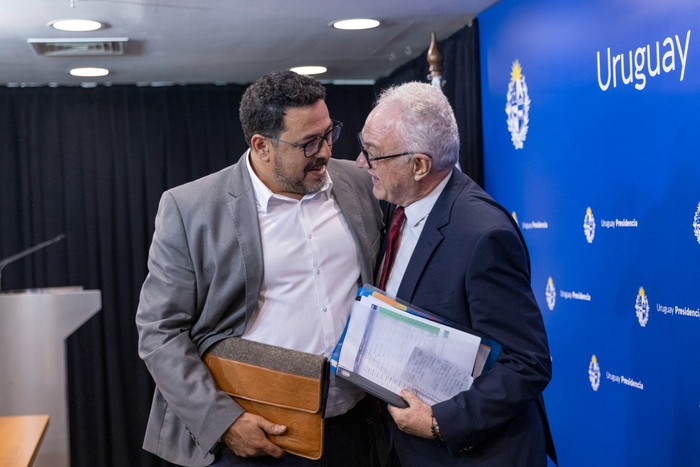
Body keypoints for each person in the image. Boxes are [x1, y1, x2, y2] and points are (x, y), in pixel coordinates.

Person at [136, 70, 383, 466]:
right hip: (253, 434)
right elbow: (158, 331)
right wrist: (224, 423)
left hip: (353, 427)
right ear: (261, 145)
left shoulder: (355, 182)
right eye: (308, 143)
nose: (324, 151)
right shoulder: (191, 208)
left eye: (328, 133)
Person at [355, 82, 557, 466]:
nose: (362, 163)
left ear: (419, 165)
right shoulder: (401, 206)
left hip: (473, 453)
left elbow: (527, 362)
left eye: (373, 153)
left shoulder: (483, 234)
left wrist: (438, 422)